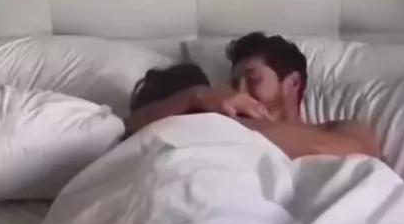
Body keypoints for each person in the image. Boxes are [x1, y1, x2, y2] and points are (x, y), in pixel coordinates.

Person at [126, 41, 380, 161]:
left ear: (292, 83)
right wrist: (197, 96)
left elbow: (360, 155)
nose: (241, 91)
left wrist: (220, 121)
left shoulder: (340, 127)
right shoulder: (213, 116)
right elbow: (129, 129)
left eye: (253, 78)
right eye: (235, 84)